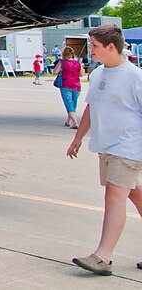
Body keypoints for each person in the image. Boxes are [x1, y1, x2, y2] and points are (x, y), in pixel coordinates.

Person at [67, 26, 142, 275]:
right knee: (135, 194)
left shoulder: (135, 76)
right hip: (105, 145)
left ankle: (102, 257)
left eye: (95, 46)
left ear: (111, 47)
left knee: (114, 195)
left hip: (129, 146)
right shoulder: (98, 74)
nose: (92, 50)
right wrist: (78, 138)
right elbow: (91, 107)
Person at [53, 47, 83, 129]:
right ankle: (69, 121)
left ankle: (75, 122)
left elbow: (55, 72)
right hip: (76, 85)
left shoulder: (62, 62)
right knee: (73, 104)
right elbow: (81, 74)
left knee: (68, 104)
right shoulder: (78, 63)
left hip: (65, 85)